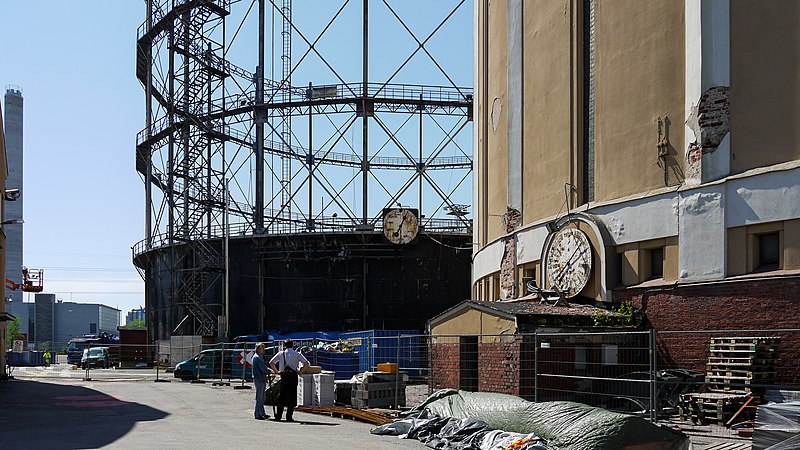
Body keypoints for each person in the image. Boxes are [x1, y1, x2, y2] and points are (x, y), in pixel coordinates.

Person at [268, 339, 309, 422]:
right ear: (292, 345)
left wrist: (277, 372)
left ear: (284, 345)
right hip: (293, 375)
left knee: (282, 396)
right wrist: (300, 371)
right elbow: (306, 363)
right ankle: (289, 416)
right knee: (292, 396)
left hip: (284, 375)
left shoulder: (281, 354)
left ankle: (278, 416)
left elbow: (271, 362)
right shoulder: (297, 354)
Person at [251, 343, 270, 420]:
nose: (264, 350)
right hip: (259, 379)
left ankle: (262, 412)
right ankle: (257, 414)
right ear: (258, 349)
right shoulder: (257, 358)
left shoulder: (259, 357)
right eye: (262, 348)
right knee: (260, 397)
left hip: (260, 378)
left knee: (262, 397)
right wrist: (269, 371)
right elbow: (263, 368)